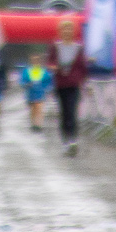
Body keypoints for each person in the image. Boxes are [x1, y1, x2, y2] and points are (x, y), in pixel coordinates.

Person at [51, 17, 87, 155]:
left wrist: (85, 83)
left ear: (73, 31)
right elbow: (50, 62)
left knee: (72, 112)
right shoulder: (55, 46)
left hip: (73, 84)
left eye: (69, 29)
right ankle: (65, 141)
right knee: (64, 113)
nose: (67, 32)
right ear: (60, 31)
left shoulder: (78, 47)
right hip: (60, 85)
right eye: (64, 29)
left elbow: (82, 67)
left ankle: (73, 140)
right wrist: (53, 67)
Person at [21, 55, 51, 131]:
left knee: (39, 107)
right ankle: (33, 123)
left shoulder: (43, 71)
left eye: (37, 61)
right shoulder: (27, 71)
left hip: (40, 93)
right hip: (30, 93)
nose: (35, 62)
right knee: (32, 109)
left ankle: (38, 124)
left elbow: (48, 81)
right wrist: (27, 84)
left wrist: (46, 88)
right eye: (34, 61)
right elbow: (23, 81)